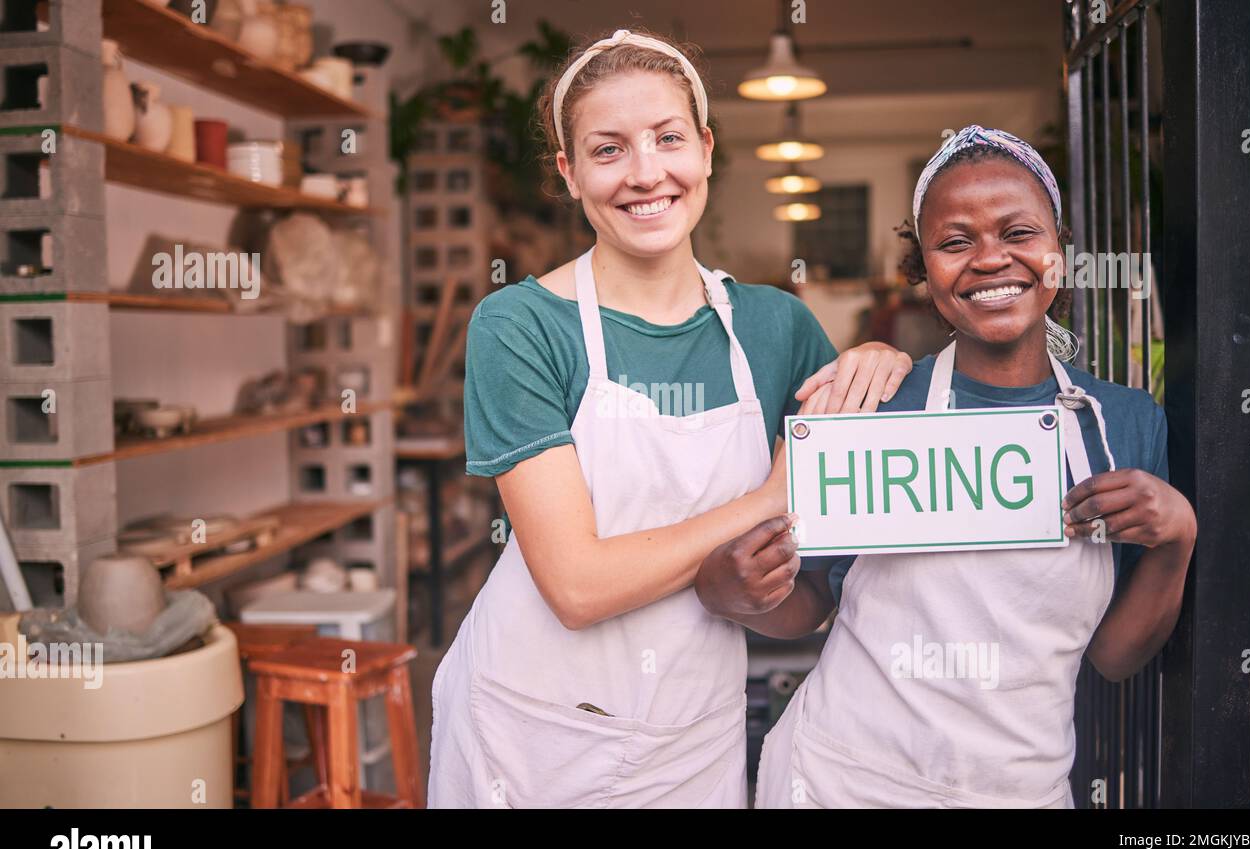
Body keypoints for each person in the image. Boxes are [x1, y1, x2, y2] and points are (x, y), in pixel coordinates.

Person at [425, 27, 912, 808]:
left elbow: (839, 547)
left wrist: (883, 363)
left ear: (708, 149)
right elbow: (576, 585)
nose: (646, 173)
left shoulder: (777, 329)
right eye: (608, 149)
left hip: (693, 728)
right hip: (532, 732)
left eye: (668, 138)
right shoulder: (518, 327)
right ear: (570, 173)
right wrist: (766, 500)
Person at [696, 125, 1196, 808]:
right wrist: (738, 595)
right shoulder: (873, 406)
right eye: (956, 242)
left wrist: (1176, 539)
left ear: (1059, 255)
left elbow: (1115, 657)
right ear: (926, 273)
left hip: (1022, 791)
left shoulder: (1124, 425)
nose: (990, 260)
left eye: (1018, 234)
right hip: (844, 782)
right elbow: (809, 601)